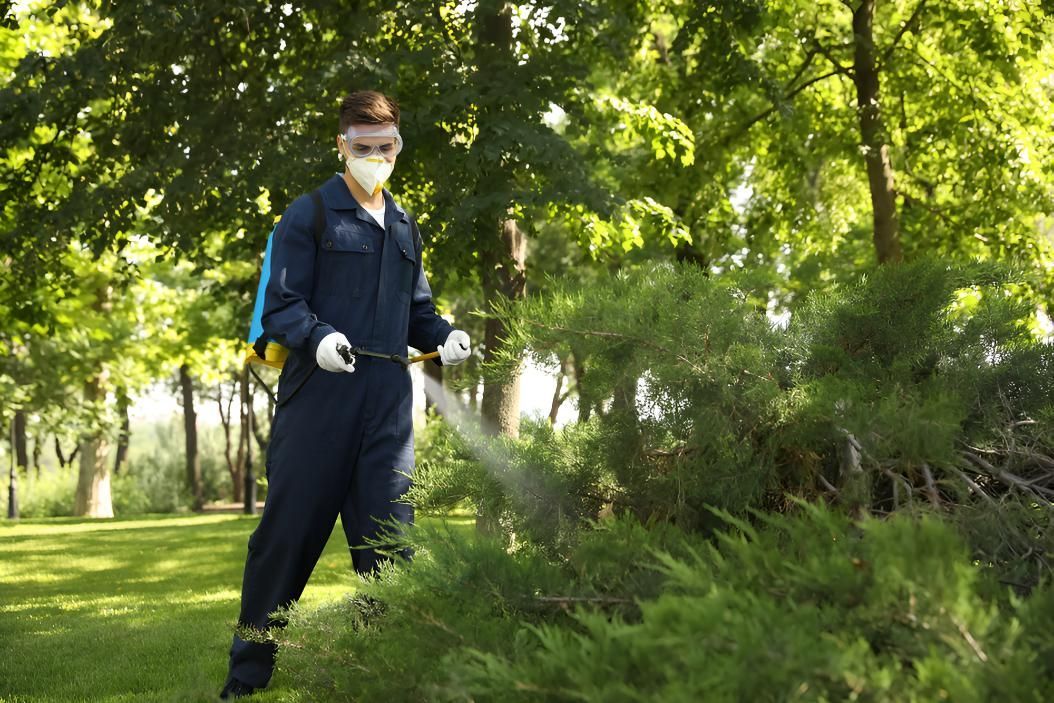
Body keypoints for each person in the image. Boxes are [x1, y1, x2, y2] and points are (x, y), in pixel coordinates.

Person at [220, 90, 471, 699]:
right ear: (342, 146)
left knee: (392, 548)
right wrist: (319, 338)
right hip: (318, 403)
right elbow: (282, 306)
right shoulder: (308, 215)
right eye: (365, 146)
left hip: (388, 411)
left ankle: (387, 675)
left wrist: (445, 336)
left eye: (388, 146)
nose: (377, 157)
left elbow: (418, 312)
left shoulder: (405, 225)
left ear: (398, 146)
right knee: (284, 545)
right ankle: (246, 680)